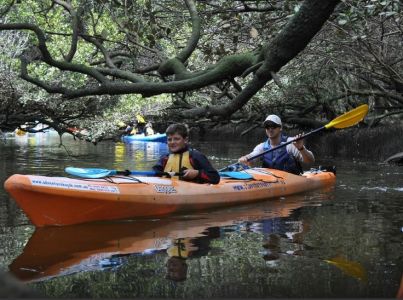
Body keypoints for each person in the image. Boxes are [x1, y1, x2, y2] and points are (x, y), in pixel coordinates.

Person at [238, 114, 314, 175]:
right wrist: (245, 158)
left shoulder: (291, 143)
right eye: (267, 127)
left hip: (291, 179)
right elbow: (252, 157)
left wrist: (301, 148)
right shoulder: (261, 147)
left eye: (273, 126)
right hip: (271, 181)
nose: (270, 129)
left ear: (280, 128)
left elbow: (310, 161)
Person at [153, 123, 220, 184]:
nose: (172, 142)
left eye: (176, 139)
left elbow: (215, 177)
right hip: (169, 190)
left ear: (185, 140)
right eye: (169, 139)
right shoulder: (164, 158)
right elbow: (154, 175)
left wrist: (197, 173)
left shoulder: (195, 156)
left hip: (191, 192)